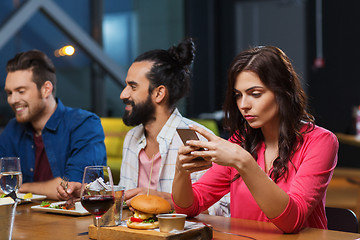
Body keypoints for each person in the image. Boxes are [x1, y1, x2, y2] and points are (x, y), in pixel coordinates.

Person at [171, 46, 338, 233]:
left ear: (283, 91)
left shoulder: (321, 142)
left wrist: (243, 162)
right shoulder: (240, 141)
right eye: (238, 95)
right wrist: (181, 170)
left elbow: (292, 221)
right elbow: (187, 208)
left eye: (255, 94)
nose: (243, 105)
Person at [57, 38, 230, 216]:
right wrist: (90, 193)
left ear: (159, 93)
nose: (123, 94)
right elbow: (126, 201)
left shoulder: (195, 139)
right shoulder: (132, 137)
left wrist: (168, 200)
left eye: (132, 86)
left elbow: (224, 211)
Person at [0, 50, 107, 199]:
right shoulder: (12, 129)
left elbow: (72, 188)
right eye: (9, 93)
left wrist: (20, 188)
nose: (12, 100)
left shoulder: (84, 124)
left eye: (21, 91)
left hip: (72, 221)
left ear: (46, 89)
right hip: (22, 219)